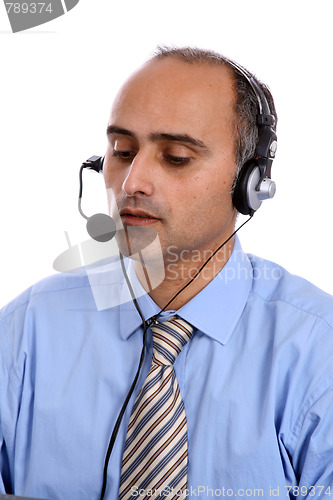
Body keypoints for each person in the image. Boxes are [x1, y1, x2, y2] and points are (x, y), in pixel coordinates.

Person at [1, 46, 333, 500]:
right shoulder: (25, 330)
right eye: (121, 150)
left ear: (249, 185)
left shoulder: (318, 350)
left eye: (176, 157)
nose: (132, 182)